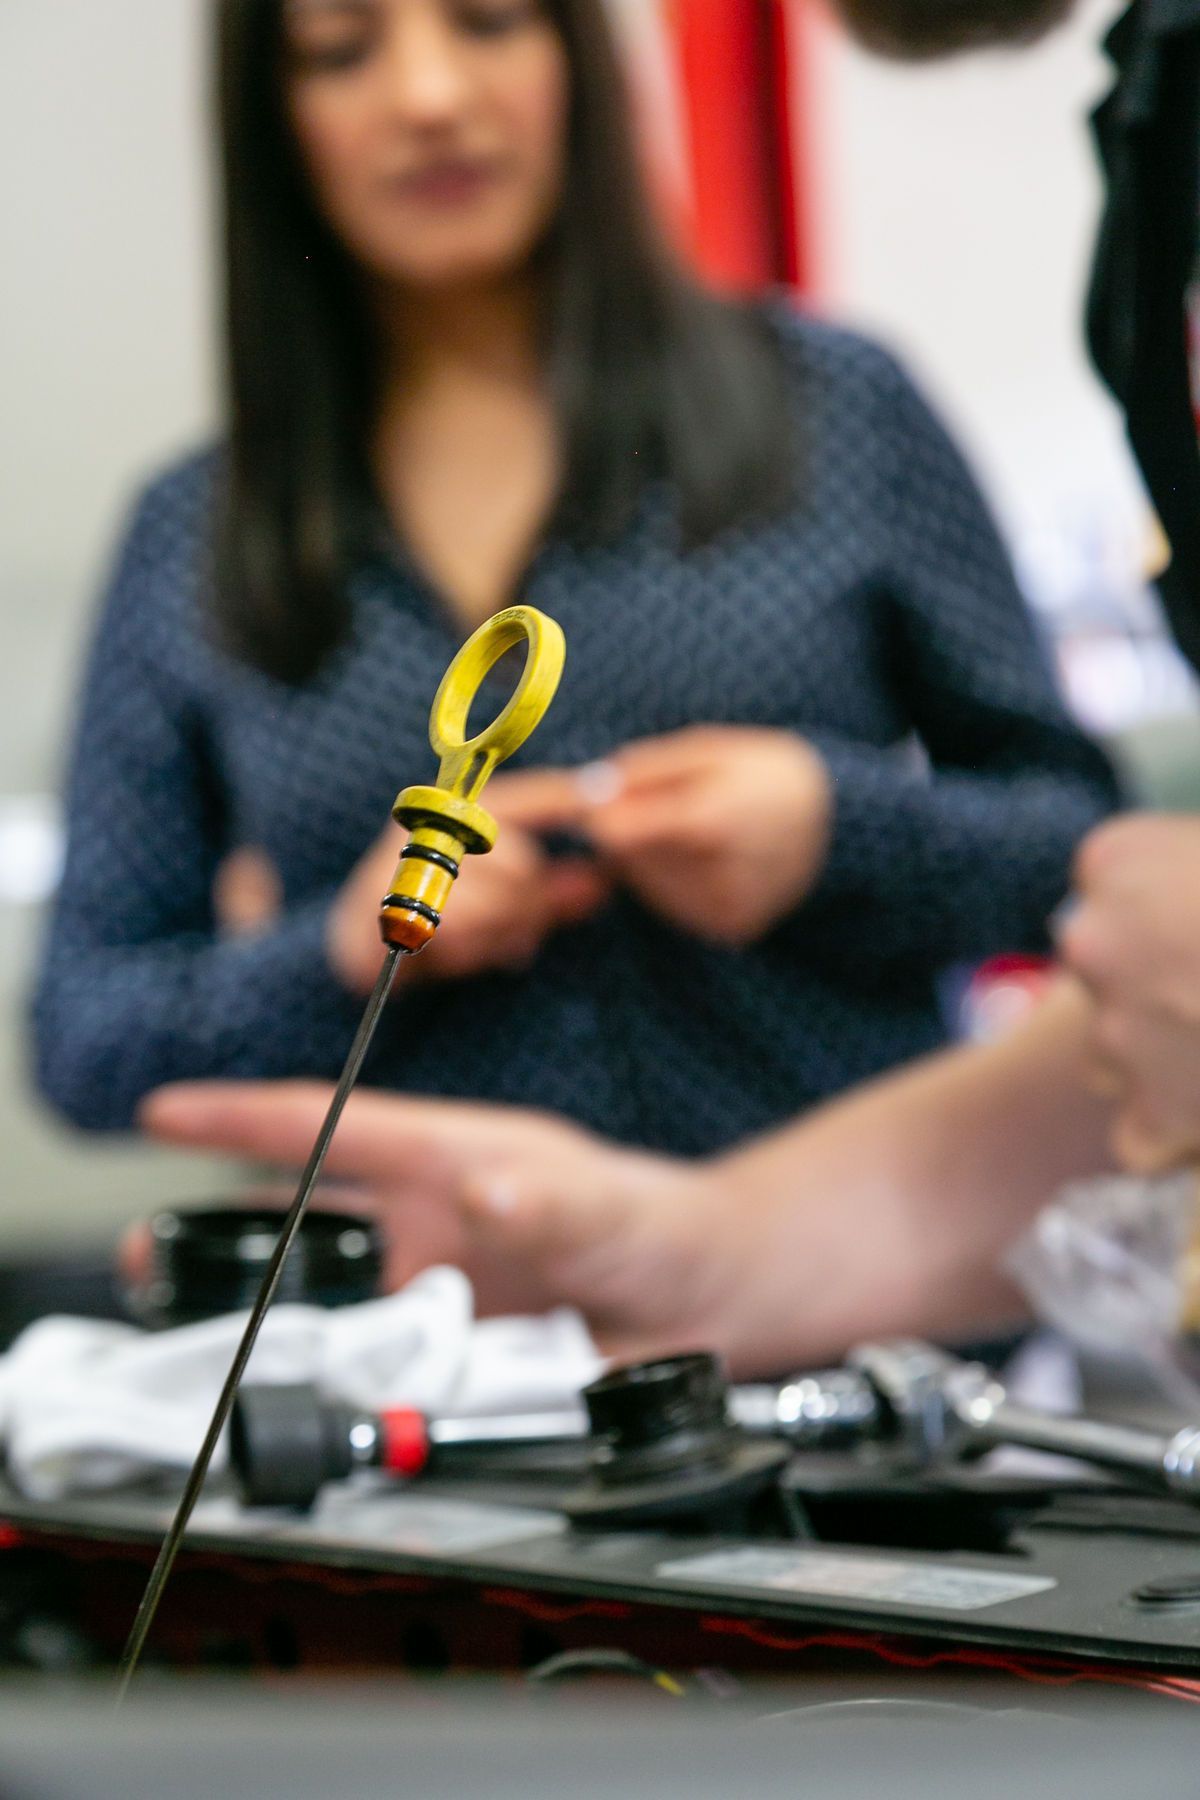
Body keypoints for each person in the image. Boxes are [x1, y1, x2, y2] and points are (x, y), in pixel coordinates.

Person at [129, 0, 1200, 1371]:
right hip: (435, 1372)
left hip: (892, 1358)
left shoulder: (840, 408)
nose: (429, 98)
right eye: (343, 51)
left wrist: (841, 830)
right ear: (272, 118)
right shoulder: (191, 538)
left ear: (576, 56)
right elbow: (92, 1025)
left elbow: (1090, 851)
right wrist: (344, 951)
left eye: (488, 23)